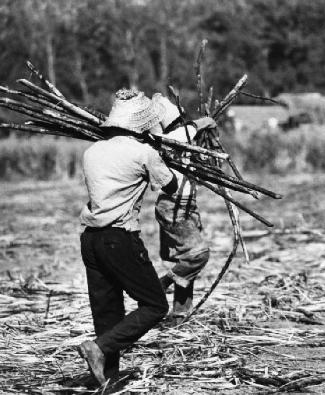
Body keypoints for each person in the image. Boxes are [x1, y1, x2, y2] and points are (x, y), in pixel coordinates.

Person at [77, 88, 178, 385]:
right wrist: (162, 155)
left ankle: (106, 380)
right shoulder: (143, 152)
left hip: (90, 240)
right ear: (142, 124)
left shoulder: (92, 150)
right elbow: (170, 186)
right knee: (156, 306)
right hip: (118, 238)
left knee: (107, 314)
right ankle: (99, 347)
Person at [150, 93, 216, 319]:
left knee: (186, 260)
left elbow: (209, 162)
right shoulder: (164, 141)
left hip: (186, 207)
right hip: (173, 207)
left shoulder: (185, 143)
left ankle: (179, 314)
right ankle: (161, 284)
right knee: (197, 255)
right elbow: (182, 133)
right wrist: (201, 123)